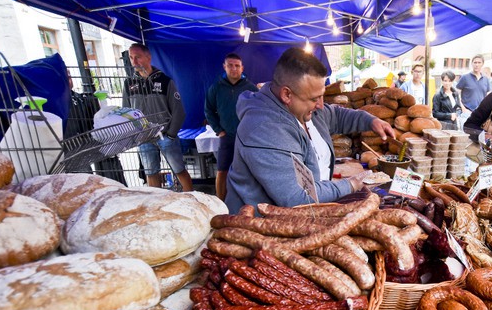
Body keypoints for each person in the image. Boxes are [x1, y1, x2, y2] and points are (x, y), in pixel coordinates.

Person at [225, 47, 395, 213]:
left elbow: (337, 115)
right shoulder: (263, 128)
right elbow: (297, 197)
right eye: (315, 98)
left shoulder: (306, 109)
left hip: (307, 213)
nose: (321, 104)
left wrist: (370, 121)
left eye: (322, 95)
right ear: (287, 95)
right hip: (259, 224)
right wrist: (351, 184)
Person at [123, 43, 193, 191]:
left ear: (148, 57)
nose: (134, 61)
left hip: (165, 136)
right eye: (131, 57)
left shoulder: (165, 81)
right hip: (143, 139)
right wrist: (134, 135)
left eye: (138, 57)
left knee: (179, 170)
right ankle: (157, 202)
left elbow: (179, 111)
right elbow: (125, 112)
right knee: (151, 173)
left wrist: (171, 135)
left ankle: (192, 198)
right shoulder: (129, 83)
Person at [204, 53, 258, 200]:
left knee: (249, 171)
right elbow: (208, 110)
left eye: (237, 66)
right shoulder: (216, 88)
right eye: (230, 65)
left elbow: (260, 112)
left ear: (242, 68)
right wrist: (218, 130)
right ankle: (221, 203)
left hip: (247, 139)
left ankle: (248, 202)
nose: (234, 69)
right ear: (224, 67)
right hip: (226, 137)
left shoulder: (251, 88)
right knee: (222, 171)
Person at [65, 69, 126, 184]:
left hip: (90, 143)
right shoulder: (60, 102)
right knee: (83, 178)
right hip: (73, 150)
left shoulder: (80, 99)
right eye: (65, 77)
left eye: (69, 76)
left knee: (107, 158)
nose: (69, 80)